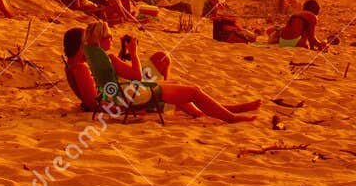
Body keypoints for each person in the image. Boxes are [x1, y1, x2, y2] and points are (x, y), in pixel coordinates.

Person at [61, 25, 260, 123]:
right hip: (126, 96)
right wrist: (126, 109)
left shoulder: (78, 64)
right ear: (82, 44)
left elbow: (95, 96)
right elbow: (92, 103)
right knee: (192, 90)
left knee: (170, 72)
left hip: (123, 93)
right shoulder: (81, 67)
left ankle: (222, 109)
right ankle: (230, 116)